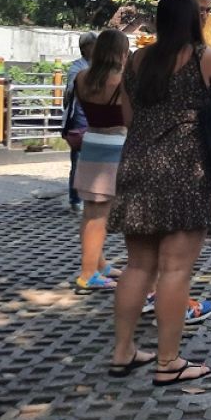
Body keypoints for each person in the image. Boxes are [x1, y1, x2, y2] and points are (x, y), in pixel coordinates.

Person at [107, 0, 211, 385]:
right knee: (175, 271)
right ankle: (168, 362)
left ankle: (123, 351)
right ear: (193, 20)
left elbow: (128, 116)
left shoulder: (138, 60)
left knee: (138, 266)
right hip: (184, 171)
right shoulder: (202, 56)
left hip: (136, 166)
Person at [71, 29, 130, 291]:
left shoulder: (82, 78)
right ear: (121, 53)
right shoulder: (122, 82)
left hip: (90, 143)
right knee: (100, 216)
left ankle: (98, 264)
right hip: (115, 146)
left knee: (90, 212)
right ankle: (87, 274)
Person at [64, 31, 98, 213]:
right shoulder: (77, 67)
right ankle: (75, 199)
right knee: (78, 161)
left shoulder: (101, 66)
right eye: (93, 45)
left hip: (98, 119)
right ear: (85, 48)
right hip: (80, 118)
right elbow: (71, 90)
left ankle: (92, 196)